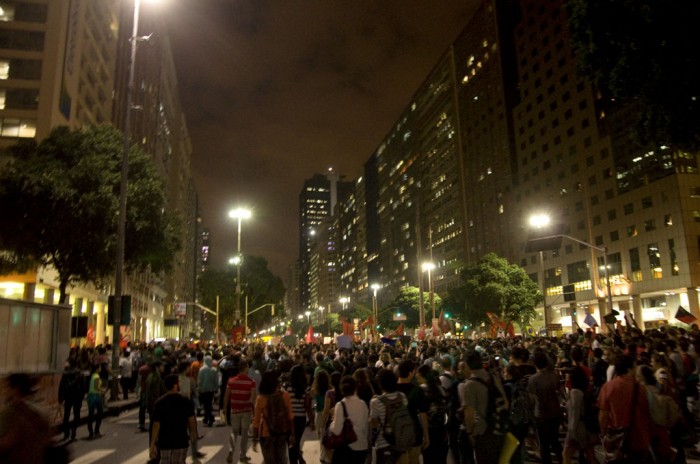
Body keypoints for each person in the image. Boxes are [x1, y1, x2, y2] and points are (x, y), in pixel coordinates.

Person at [598, 353, 652, 462]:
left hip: (617, 437)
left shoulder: (608, 387)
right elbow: (646, 412)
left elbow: (603, 415)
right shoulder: (640, 388)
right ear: (629, 368)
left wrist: (603, 434)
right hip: (638, 436)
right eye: (635, 366)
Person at [0, 373, 52, 464]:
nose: (4, 390)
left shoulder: (10, 414)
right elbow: (48, 438)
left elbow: (5, 443)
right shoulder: (42, 411)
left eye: (7, 387)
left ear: (15, 390)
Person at [150, 374, 201, 464]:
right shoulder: (185, 401)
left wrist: (152, 444)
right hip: (181, 441)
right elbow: (191, 420)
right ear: (175, 386)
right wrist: (193, 432)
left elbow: (156, 425)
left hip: (164, 442)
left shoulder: (159, 403)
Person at [463, 351, 504, 464]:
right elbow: (505, 402)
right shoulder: (492, 376)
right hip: (498, 428)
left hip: (482, 432)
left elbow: (469, 412)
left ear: (467, 364)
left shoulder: (470, 384)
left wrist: (469, 431)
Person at [527, 350, 562, 464]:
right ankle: (562, 459)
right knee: (554, 439)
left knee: (544, 443)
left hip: (541, 413)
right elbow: (560, 393)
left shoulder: (533, 379)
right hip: (555, 411)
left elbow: (531, 399)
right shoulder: (554, 376)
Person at [253, 370, 294, 464]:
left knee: (269, 461)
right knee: (281, 460)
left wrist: (255, 438)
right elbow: (290, 416)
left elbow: (256, 421)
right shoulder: (285, 395)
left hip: (266, 434)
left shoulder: (261, 398)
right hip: (281, 432)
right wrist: (292, 434)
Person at [369, 368, 409, 464]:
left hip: (383, 443)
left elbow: (374, 424)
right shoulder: (402, 397)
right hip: (401, 442)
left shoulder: (376, 402)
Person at [395, 359, 429, 464]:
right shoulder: (418, 391)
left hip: (397, 434)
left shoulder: (392, 390)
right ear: (410, 373)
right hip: (414, 433)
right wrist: (426, 435)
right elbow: (423, 415)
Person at [329, 375, 369, 464]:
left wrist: (332, 422)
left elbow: (336, 430)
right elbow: (366, 427)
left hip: (346, 448)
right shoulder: (363, 404)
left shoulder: (340, 405)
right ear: (355, 387)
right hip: (361, 446)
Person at [224, 360, 257, 463]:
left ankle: (231, 451)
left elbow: (226, 396)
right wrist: (255, 412)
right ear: (245, 368)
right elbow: (254, 399)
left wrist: (225, 409)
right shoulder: (251, 382)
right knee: (244, 433)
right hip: (246, 410)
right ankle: (242, 455)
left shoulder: (231, 381)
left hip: (234, 409)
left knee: (234, 432)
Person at [562, 366, 595, 464]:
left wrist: (571, 432)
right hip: (585, 427)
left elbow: (574, 414)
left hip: (577, 429)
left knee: (566, 454)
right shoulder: (582, 391)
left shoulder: (575, 393)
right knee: (590, 455)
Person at [416, 364, 448, 464]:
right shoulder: (440, 389)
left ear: (421, 375)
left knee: (429, 459)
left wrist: (425, 436)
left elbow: (423, 414)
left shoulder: (421, 390)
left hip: (429, 430)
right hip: (441, 429)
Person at [286, 364, 314, 464]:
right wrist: (311, 420)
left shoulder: (287, 388)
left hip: (290, 418)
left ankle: (294, 460)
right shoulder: (305, 388)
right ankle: (299, 457)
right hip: (301, 418)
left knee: (291, 442)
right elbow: (307, 406)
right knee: (296, 441)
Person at [58, 358, 85, 441]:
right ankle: (73, 432)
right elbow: (83, 387)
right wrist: (82, 397)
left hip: (68, 396)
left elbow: (61, 385)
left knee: (66, 415)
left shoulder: (66, 373)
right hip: (77, 397)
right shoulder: (80, 374)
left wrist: (60, 397)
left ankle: (66, 433)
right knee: (76, 415)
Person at [198, 355, 219, 427]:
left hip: (204, 390)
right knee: (209, 404)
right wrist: (216, 388)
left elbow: (200, 380)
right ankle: (208, 417)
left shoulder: (202, 369)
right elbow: (216, 381)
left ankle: (208, 417)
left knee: (205, 404)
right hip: (211, 390)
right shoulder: (214, 370)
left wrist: (199, 388)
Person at [87, 364, 105, 439]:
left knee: (90, 415)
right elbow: (96, 387)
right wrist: (102, 391)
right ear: (97, 369)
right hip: (96, 397)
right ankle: (96, 431)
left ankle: (91, 432)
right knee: (100, 413)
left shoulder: (92, 376)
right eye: (99, 367)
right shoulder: (97, 376)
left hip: (90, 396)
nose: (100, 369)